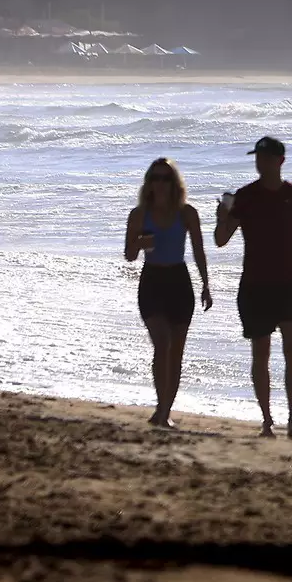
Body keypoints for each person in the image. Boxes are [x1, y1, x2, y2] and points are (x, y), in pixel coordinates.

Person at [214, 136, 292, 437]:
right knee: (260, 353)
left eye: (265, 157)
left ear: (280, 160)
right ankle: (267, 419)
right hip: (255, 284)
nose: (260, 162)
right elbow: (221, 240)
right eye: (257, 157)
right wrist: (221, 217)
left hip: (291, 282)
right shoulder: (245, 196)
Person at [122, 157, 212, 428]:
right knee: (162, 344)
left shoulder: (187, 213)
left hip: (179, 282)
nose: (160, 184)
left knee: (176, 353)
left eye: (166, 179)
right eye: (155, 178)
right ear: (148, 184)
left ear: (175, 184)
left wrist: (206, 284)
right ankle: (161, 409)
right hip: (152, 282)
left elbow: (198, 250)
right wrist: (140, 242)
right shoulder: (139, 215)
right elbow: (128, 255)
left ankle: (165, 411)